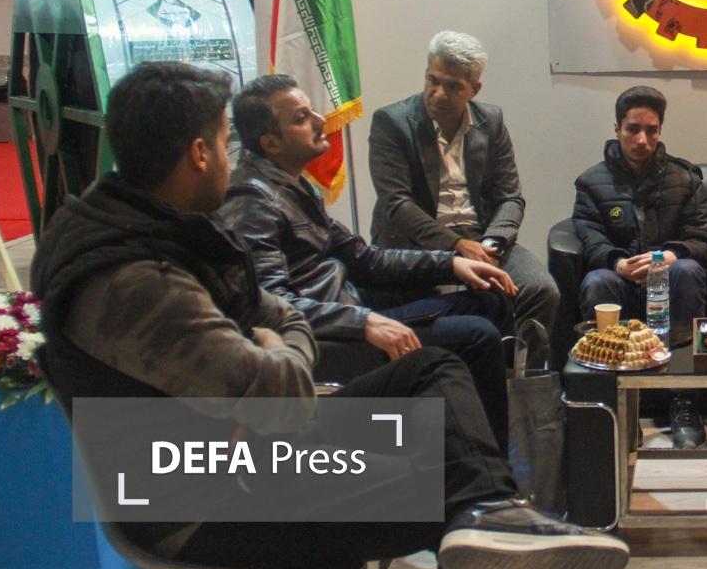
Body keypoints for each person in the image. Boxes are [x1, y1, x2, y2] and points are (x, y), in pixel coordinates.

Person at [31, 61, 629, 569]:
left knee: (435, 370)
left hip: (234, 448)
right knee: (451, 492)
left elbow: (278, 309)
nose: (233, 155)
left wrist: (279, 336)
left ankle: (491, 508)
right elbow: (283, 393)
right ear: (199, 154)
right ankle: (487, 511)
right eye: (224, 139)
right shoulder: (142, 279)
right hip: (202, 499)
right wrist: (286, 341)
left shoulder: (142, 226)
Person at [218, 74, 513, 449]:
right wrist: (364, 322)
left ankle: (463, 443)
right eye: (301, 118)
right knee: (478, 336)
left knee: (490, 298)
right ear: (270, 143)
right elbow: (272, 305)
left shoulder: (292, 185)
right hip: (329, 339)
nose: (320, 120)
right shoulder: (252, 202)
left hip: (350, 307)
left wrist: (451, 263)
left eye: (312, 110)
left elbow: (365, 259)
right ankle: (485, 468)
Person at [368, 31, 561, 341]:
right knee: (448, 301)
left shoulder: (491, 120)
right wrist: (456, 245)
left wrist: (492, 244)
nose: (438, 93)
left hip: (480, 236)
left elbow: (510, 197)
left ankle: (517, 369)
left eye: (453, 86)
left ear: (474, 89)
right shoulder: (391, 123)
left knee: (540, 290)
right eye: (433, 80)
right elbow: (397, 204)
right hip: (416, 242)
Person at [572, 85, 707, 448]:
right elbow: (590, 239)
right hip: (620, 279)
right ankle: (612, 404)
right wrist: (618, 263)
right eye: (633, 129)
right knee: (597, 281)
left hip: (670, 280)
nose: (642, 140)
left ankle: (684, 401)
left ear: (660, 130)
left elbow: (703, 239)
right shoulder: (591, 182)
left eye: (651, 131)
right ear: (617, 128)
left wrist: (670, 256)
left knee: (687, 270)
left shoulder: (685, 178)